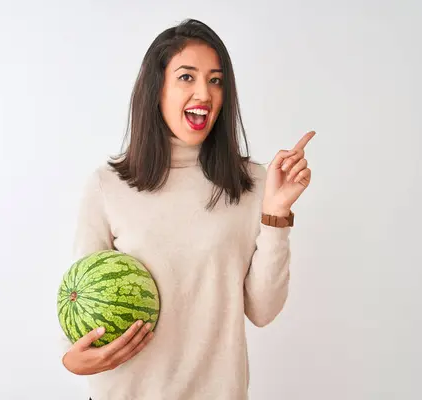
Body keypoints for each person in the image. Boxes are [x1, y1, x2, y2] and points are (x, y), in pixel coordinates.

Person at [58, 18, 314, 400]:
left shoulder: (253, 183)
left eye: (215, 80)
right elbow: (79, 297)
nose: (204, 93)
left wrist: (276, 213)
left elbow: (263, 310)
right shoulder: (108, 185)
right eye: (186, 77)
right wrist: (70, 360)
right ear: (156, 89)